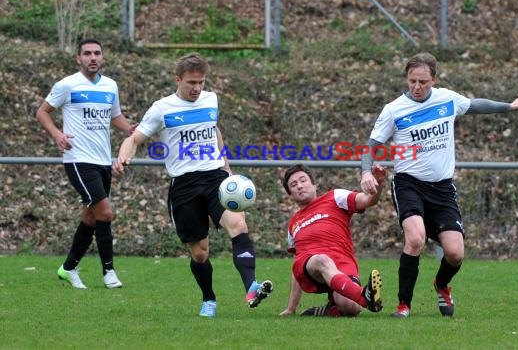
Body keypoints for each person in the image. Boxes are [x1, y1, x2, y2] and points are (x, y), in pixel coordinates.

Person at [360, 52, 518, 318]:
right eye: (412, 81)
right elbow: (371, 147)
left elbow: (475, 105)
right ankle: (404, 304)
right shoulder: (394, 110)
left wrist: (510, 106)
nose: (417, 87)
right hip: (409, 184)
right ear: (406, 78)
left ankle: (441, 284)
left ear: (434, 80)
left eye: (423, 82)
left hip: (441, 189)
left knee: (455, 253)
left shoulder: (447, 99)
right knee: (414, 239)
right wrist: (365, 172)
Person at [112, 52, 273, 318]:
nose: (197, 88)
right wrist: (123, 154)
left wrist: (226, 164)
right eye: (191, 83)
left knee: (238, 225)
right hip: (184, 186)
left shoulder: (211, 99)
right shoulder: (162, 108)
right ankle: (209, 298)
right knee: (200, 253)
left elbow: (213, 129)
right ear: (178, 79)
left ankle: (251, 287)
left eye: (201, 82)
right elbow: (135, 137)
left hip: (214, 178)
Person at [36, 38, 135, 289]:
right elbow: (42, 112)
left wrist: (134, 130)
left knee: (91, 218)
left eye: (97, 53)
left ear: (102, 57)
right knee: (105, 212)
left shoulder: (110, 86)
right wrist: (58, 135)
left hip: (103, 160)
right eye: (87, 53)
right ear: (78, 59)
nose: (93, 57)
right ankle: (109, 272)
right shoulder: (67, 85)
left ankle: (68, 268)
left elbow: (115, 117)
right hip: (79, 160)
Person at [279, 164, 386, 317]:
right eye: (293, 185)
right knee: (322, 260)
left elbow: (367, 200)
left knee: (350, 307)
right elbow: (296, 264)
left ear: (314, 184)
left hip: (342, 261)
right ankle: (364, 297)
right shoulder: (293, 224)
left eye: (303, 180)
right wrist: (291, 308)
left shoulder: (335, 197)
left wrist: (379, 184)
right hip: (311, 264)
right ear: (290, 194)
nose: (300, 186)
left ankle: (331, 309)